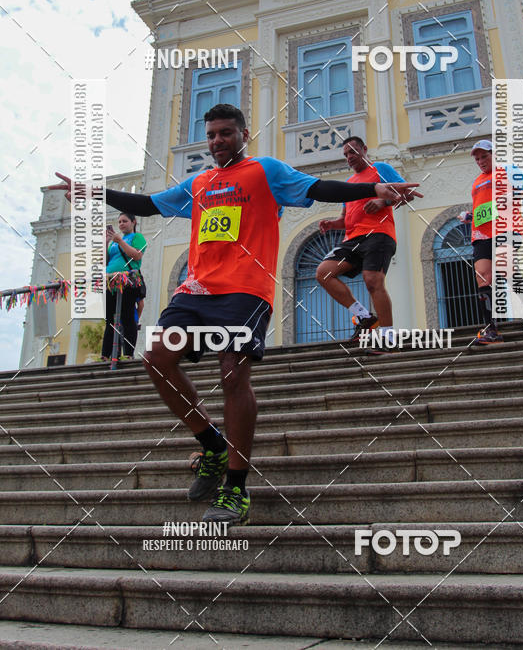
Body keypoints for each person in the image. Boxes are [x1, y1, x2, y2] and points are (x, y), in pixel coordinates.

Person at [50, 104, 418, 525]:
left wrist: (371, 190)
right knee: (156, 356)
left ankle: (236, 489)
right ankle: (212, 445)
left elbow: (319, 188)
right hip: (196, 289)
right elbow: (148, 203)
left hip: (246, 290)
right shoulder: (200, 182)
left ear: (243, 134)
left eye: (226, 133)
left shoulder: (266, 171)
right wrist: (94, 192)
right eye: (211, 135)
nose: (217, 141)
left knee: (232, 374)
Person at [316, 136, 419, 344]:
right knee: (323, 273)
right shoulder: (349, 184)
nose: (349, 157)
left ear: (364, 149)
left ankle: (388, 337)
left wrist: (382, 201)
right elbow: (346, 220)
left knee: (372, 281)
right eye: (345, 154)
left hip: (379, 234)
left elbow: (408, 194)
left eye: (353, 151)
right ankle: (364, 316)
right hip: (353, 238)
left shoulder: (380, 168)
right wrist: (332, 224)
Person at [459, 140, 523, 345]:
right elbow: (485, 207)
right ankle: (492, 330)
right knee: (483, 278)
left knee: (506, 268)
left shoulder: (509, 170)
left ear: (494, 154)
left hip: (505, 228)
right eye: (477, 159)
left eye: (484, 156)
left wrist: (512, 195)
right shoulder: (477, 181)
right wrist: (471, 215)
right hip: (481, 234)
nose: (480, 161)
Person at [102, 213, 147, 361]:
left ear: (133, 222)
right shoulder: (114, 242)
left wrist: (120, 241)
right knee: (110, 319)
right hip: (111, 281)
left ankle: (128, 353)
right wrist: (106, 242)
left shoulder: (137, 237)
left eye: (125, 221)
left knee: (127, 317)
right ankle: (106, 355)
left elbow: (137, 256)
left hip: (128, 281)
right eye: (119, 222)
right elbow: (106, 261)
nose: (121, 224)